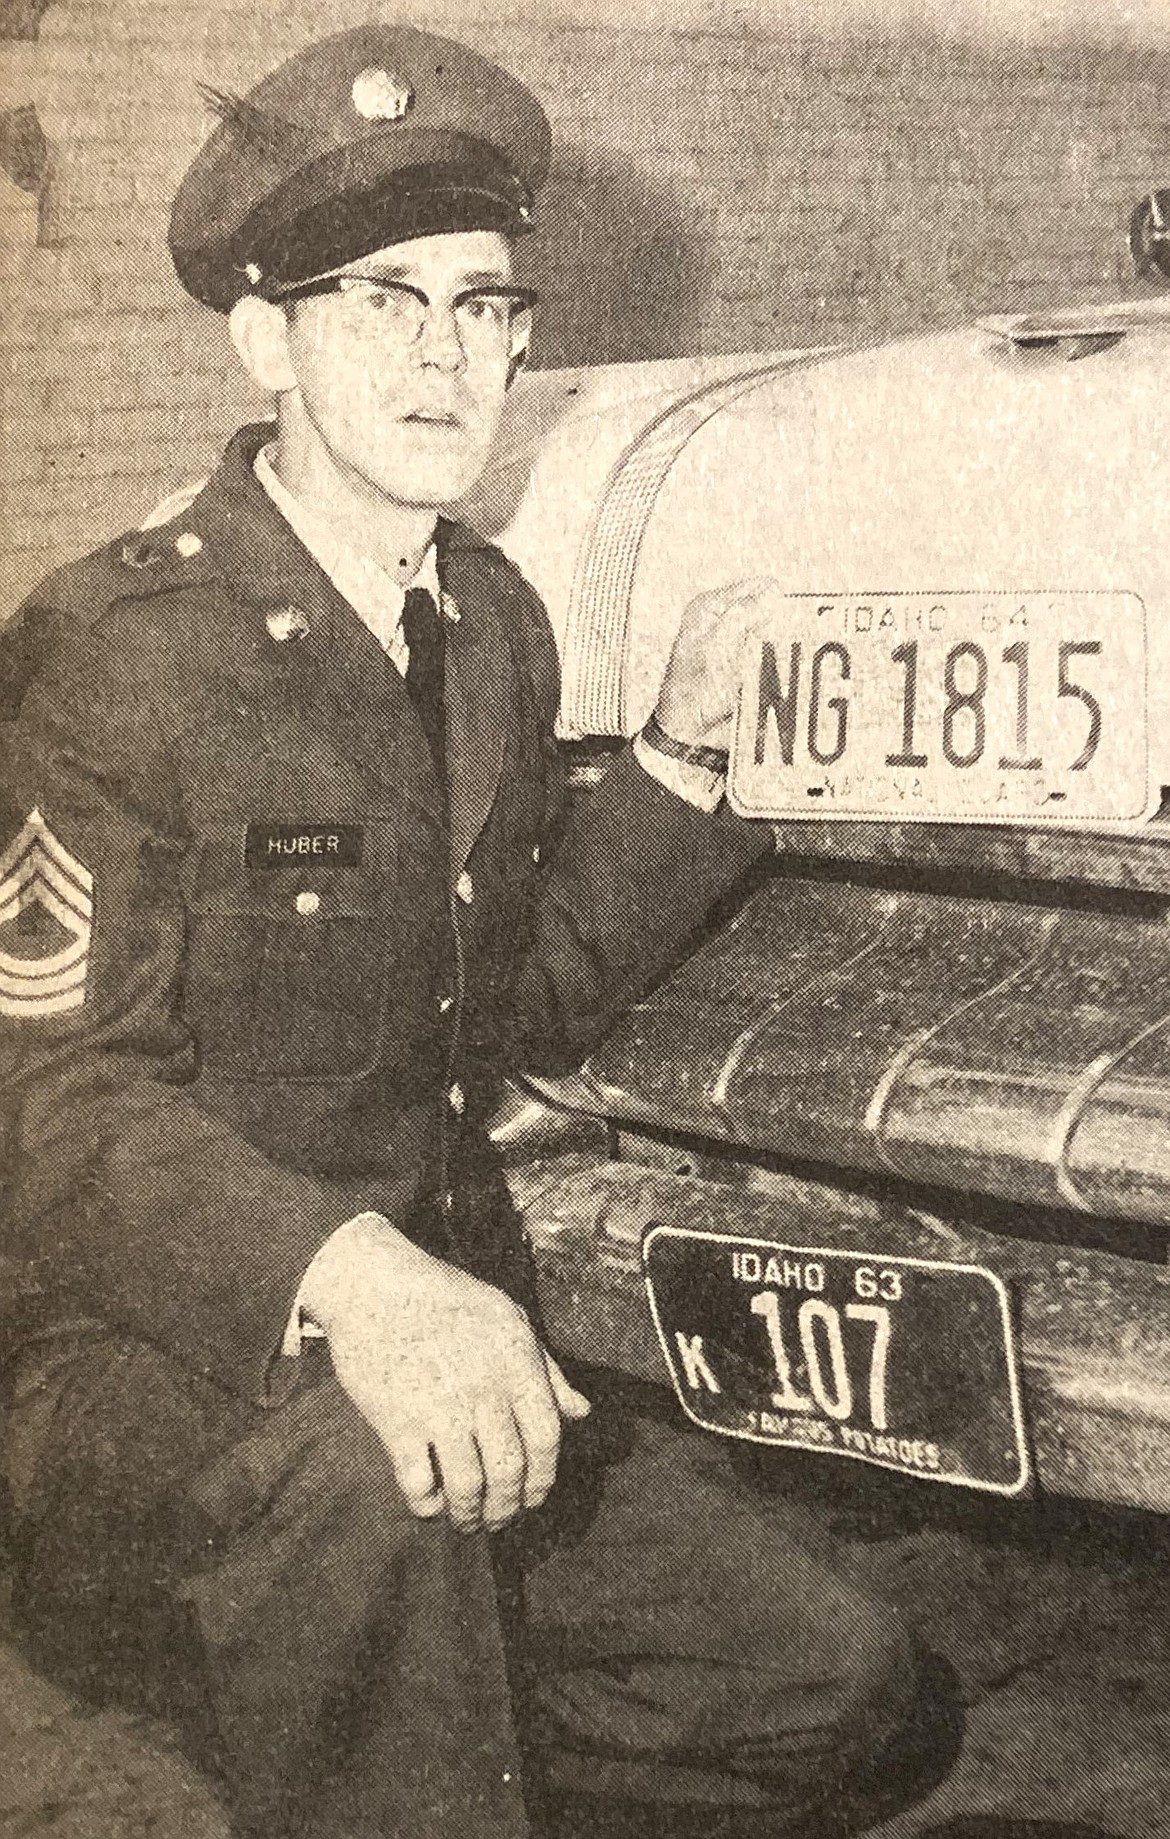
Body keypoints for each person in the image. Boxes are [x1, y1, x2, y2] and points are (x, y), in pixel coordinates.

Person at [0, 25, 958, 1838]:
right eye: (385, 302)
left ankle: (392, 1747)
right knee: (376, 1526)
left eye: (487, 307)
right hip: (151, 1380)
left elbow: (499, 998)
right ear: (263, 338)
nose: (450, 355)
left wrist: (676, 763)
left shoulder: (489, 622)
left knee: (850, 1697)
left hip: (445, 1344)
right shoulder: (115, 653)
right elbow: (44, 1113)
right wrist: (358, 1284)